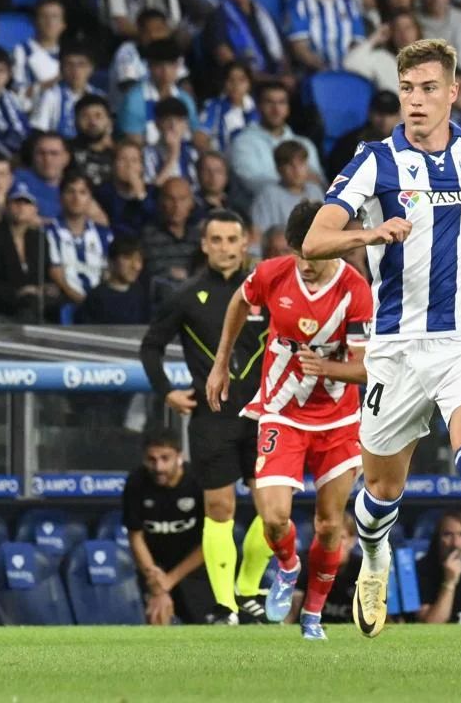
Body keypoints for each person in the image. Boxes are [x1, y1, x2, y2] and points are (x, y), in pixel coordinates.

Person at [302, 38, 461, 658]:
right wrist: (373, 230)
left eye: (427, 89)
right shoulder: (375, 162)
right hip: (395, 347)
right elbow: (313, 240)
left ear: (451, 92)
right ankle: (373, 555)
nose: (415, 101)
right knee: (381, 492)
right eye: (406, 89)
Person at [206, 201, 371, 639]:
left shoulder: (356, 291)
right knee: (274, 517)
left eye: (315, 254)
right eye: (300, 253)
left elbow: (367, 367)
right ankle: (287, 566)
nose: (307, 264)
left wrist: (328, 369)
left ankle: (313, 614)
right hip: (281, 412)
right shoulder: (272, 274)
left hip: (338, 421)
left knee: (330, 524)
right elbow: (240, 302)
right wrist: (221, 363)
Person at [139, 209, 273, 624]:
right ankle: (226, 606)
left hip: (264, 415)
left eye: (232, 240)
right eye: (216, 240)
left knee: (275, 512)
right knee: (219, 510)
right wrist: (168, 393)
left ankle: (248, 588)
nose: (225, 249)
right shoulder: (185, 295)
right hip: (212, 418)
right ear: (204, 245)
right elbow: (150, 347)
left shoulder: (266, 291)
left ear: (244, 243)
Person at [123, 433, 217, 624]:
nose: (158, 467)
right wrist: (156, 582)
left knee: (201, 623)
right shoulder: (136, 481)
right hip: (154, 567)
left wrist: (170, 580)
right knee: (157, 615)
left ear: (179, 456)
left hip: (194, 565)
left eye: (165, 458)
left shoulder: (198, 481)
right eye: (151, 459)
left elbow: (211, 541)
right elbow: (135, 536)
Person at [0, 181, 61, 320]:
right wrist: (17, 292)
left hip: (33, 305)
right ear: (6, 206)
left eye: (26, 203)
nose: (21, 207)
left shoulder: (39, 239)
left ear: (35, 209)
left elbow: (45, 275)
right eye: (16, 202)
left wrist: (48, 287)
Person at [201, 0, 289, 78]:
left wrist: (285, 75)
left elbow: (282, 52)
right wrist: (266, 80)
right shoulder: (216, 18)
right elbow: (225, 58)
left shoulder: (264, 14)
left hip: (275, 80)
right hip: (245, 83)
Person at [229, 81, 323, 197]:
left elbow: (318, 183)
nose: (276, 109)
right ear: (258, 106)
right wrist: (297, 180)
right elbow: (254, 185)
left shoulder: (305, 144)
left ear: (288, 108)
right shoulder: (242, 143)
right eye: (269, 102)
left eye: (282, 102)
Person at [45, 172, 113, 306]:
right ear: (60, 197)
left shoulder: (104, 234)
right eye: (70, 191)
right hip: (64, 303)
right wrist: (83, 302)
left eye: (83, 192)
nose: (76, 198)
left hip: (103, 304)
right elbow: (55, 273)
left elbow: (110, 270)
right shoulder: (48, 233)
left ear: (90, 199)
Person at [250, 140, 325, 237]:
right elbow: (259, 235)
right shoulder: (268, 195)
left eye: (301, 163)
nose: (297, 170)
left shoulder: (315, 190)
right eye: (290, 165)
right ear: (278, 169)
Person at [76, 235, 151, 324]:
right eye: (128, 258)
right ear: (111, 261)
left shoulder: (141, 294)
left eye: (139, 260)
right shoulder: (96, 298)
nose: (136, 266)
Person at [11, 0, 67, 110]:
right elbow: (18, 93)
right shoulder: (22, 51)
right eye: (44, 17)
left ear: (63, 25)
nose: (50, 22)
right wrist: (54, 82)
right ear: (34, 21)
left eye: (55, 17)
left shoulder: (69, 54)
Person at [197, 61, 258, 154]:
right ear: (224, 83)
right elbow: (200, 138)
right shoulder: (213, 106)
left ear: (249, 84)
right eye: (230, 80)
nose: (235, 85)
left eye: (241, 80)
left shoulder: (258, 107)